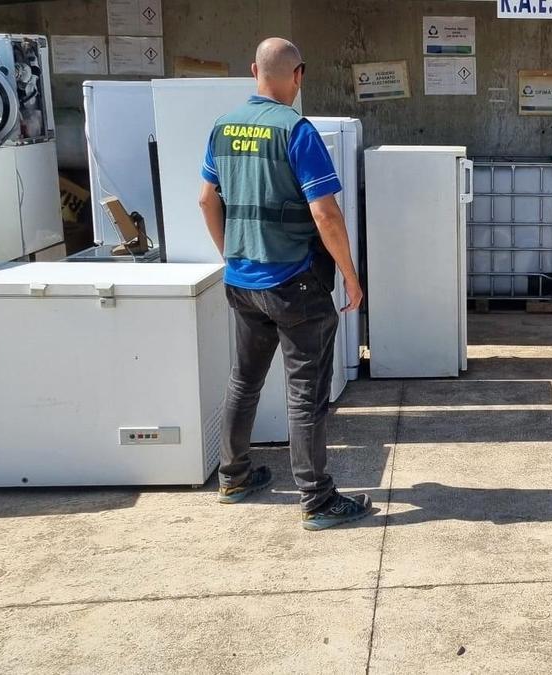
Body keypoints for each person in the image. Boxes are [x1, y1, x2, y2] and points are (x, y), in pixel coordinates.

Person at [198, 38, 371, 531]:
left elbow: (207, 200)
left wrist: (230, 253)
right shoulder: (297, 130)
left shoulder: (222, 127)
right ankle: (317, 500)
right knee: (305, 394)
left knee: (243, 381)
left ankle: (233, 476)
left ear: (255, 71)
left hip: (242, 278)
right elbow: (325, 213)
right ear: (298, 75)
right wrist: (351, 277)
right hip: (294, 282)